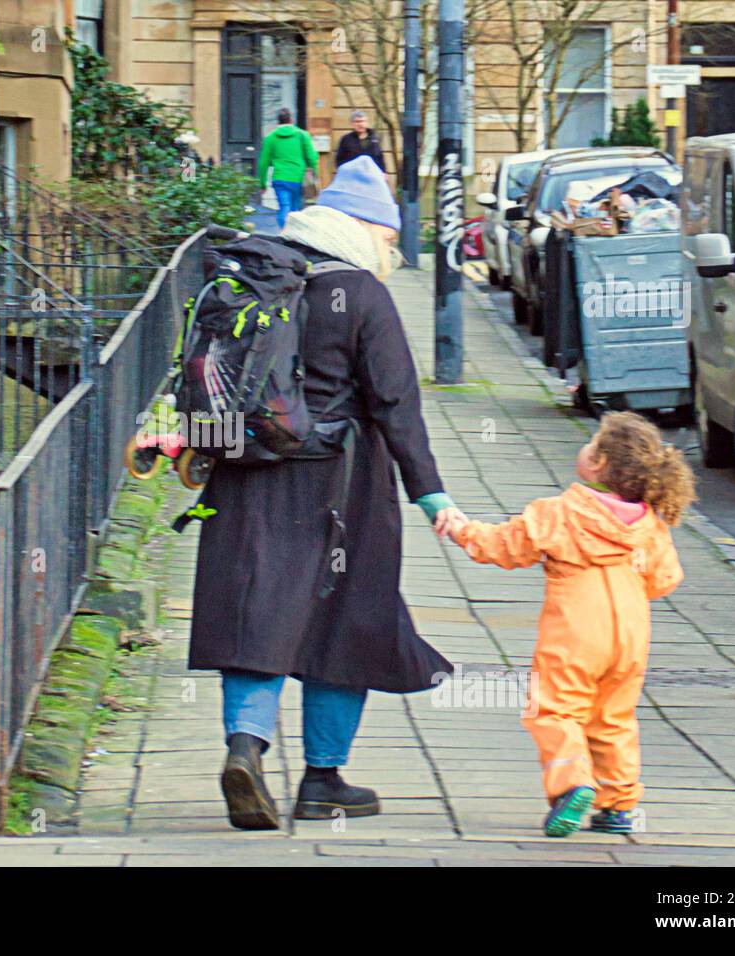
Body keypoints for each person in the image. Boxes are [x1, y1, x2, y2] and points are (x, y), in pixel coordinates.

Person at [189, 154, 465, 830]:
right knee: (346, 615)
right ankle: (321, 779)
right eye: (391, 234)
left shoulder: (254, 275)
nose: (393, 247)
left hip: (247, 472)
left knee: (255, 609)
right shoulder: (362, 294)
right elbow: (397, 403)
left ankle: (246, 747)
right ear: (363, 226)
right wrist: (432, 495)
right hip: (341, 486)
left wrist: (201, 450)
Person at [441, 412, 694, 837]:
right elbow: (666, 579)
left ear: (597, 463)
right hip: (630, 634)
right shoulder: (649, 526)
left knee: (556, 709)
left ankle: (572, 784)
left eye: (592, 442)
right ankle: (618, 806)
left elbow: (504, 547)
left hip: (575, 631)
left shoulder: (560, 513)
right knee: (614, 717)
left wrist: (462, 529)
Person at [256, 108, 319, 230]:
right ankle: (293, 236)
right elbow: (311, 158)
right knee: (295, 210)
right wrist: (315, 176)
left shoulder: (271, 138)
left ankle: (283, 234)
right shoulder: (302, 135)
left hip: (279, 178)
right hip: (298, 178)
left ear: (278, 122)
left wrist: (262, 184)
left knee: (284, 207)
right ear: (291, 120)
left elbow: (263, 163)